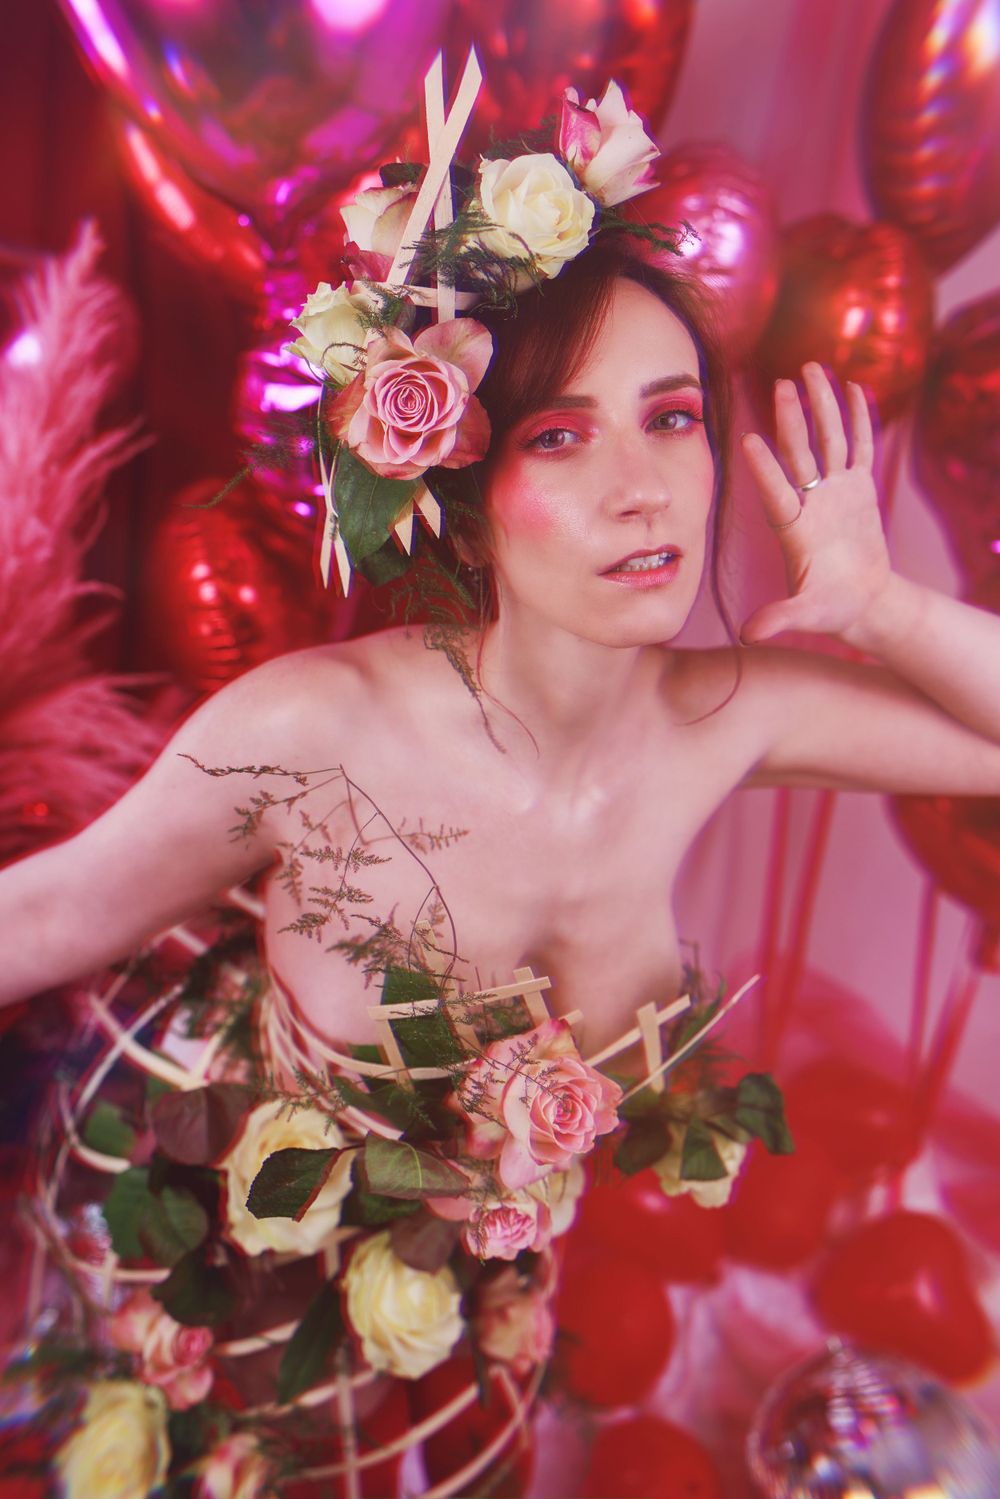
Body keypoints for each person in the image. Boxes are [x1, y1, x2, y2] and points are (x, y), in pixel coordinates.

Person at [2, 233, 1000, 1054]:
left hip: (556, 1251)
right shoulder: (312, 730)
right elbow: (43, 920)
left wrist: (880, 605)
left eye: (670, 417)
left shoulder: (724, 717)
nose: (642, 490)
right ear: (467, 513)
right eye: (558, 435)